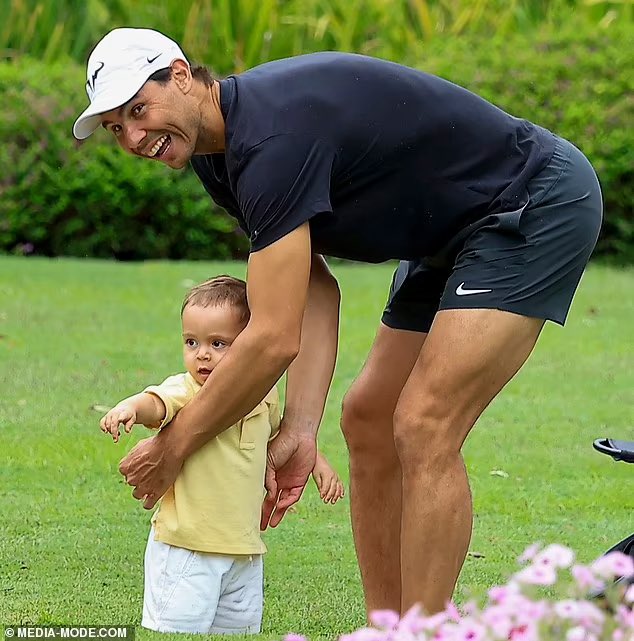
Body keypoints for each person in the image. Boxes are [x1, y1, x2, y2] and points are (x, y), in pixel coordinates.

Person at [74, 28, 603, 615]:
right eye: (117, 127)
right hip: (445, 234)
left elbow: (272, 336)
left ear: (179, 74)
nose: (134, 136)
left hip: (530, 201)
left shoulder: (270, 139)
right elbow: (313, 286)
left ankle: (429, 632)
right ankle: (387, 626)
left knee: (425, 423)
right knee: (369, 416)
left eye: (139, 110)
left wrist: (174, 445)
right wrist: (301, 429)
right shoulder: (218, 159)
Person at [99, 275, 344, 634]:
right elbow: (156, 403)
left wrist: (320, 466)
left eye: (218, 343)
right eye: (191, 342)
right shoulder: (188, 389)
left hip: (243, 551)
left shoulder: (264, 395)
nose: (202, 354)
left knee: (237, 633)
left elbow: (283, 434)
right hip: (187, 548)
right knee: (178, 633)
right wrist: (129, 409)